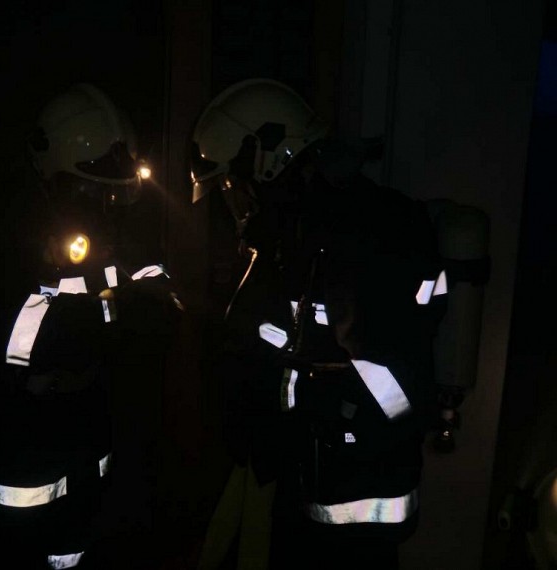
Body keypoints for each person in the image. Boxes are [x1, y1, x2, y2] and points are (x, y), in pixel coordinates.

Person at [190, 77, 447, 569]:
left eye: (235, 185)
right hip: (321, 473)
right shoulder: (307, 232)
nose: (237, 202)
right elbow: (278, 334)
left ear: (269, 161)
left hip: (355, 492)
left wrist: (313, 399)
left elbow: (391, 381)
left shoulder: (355, 237)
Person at [0, 82, 183, 569]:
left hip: (79, 422)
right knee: (12, 554)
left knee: (74, 549)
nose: (103, 202)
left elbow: (132, 274)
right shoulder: (4, 225)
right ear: (52, 171)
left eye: (109, 191)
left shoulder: (88, 220)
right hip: (19, 435)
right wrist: (105, 312)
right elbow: (14, 340)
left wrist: (151, 289)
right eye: (90, 187)